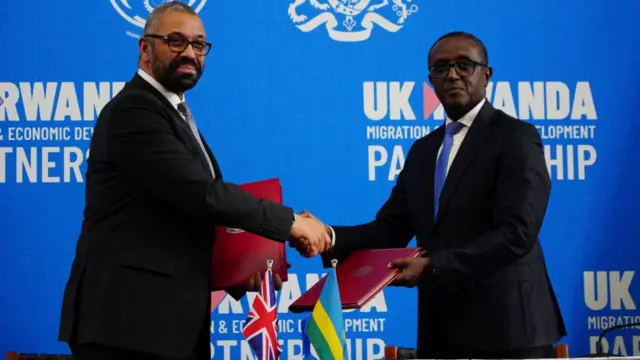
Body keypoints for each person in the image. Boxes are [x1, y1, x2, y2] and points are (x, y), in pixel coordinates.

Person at [57, 3, 330, 360]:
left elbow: (183, 216)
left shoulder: (173, 113)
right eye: (175, 41)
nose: (189, 53)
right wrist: (290, 222)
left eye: (199, 44)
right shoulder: (134, 111)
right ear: (144, 49)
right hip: (127, 325)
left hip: (171, 325)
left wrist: (246, 267)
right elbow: (201, 194)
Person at [298, 31, 567, 359]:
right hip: (442, 329)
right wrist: (329, 236)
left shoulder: (516, 138)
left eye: (464, 65)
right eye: (441, 69)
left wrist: (433, 267)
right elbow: (390, 228)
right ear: (431, 81)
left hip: (509, 328)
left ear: (486, 74)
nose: (452, 74)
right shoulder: (423, 150)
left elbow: (517, 233)